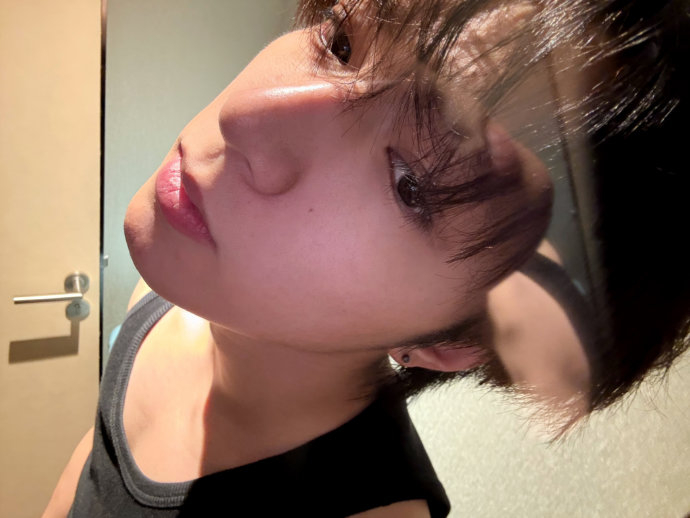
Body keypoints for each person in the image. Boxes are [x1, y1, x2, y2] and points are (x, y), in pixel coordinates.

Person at [43, 0, 689, 516]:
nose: (244, 114)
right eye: (340, 42)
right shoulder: (164, 307)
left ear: (454, 342)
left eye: (412, 185)